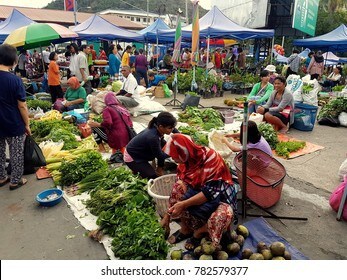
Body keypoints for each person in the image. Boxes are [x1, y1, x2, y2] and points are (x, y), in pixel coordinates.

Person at [161, 134, 238, 250]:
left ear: (184, 152)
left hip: (221, 195)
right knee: (178, 187)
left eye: (175, 156)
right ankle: (185, 229)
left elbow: (209, 193)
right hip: (198, 190)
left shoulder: (211, 158)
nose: (173, 159)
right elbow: (181, 183)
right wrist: (167, 216)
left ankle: (199, 232)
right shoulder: (185, 162)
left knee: (220, 217)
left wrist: (183, 204)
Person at [0, 44, 31, 190]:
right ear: (13, 60)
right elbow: (22, 106)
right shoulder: (15, 80)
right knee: (16, 151)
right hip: (13, 122)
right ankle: (15, 180)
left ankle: (1, 177)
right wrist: (27, 124)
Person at [124, 112, 177, 179]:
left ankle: (157, 169)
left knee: (164, 147)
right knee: (152, 177)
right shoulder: (153, 137)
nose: (172, 129)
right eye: (170, 128)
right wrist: (174, 151)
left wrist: (181, 136)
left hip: (141, 151)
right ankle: (136, 169)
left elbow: (174, 130)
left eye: (173, 127)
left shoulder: (156, 126)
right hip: (133, 156)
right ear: (161, 126)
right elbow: (160, 155)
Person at [88, 92, 133, 161]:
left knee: (94, 127)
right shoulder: (122, 108)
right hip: (127, 137)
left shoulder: (107, 109)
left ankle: (102, 149)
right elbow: (130, 124)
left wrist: (97, 124)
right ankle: (119, 151)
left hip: (116, 138)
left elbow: (108, 123)